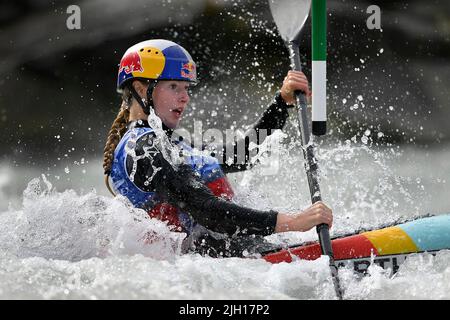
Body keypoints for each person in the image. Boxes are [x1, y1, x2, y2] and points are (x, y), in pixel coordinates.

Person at [103, 39, 332, 258]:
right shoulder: (142, 150)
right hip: (210, 267)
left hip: (235, 256)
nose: (185, 98)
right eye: (174, 86)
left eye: (186, 88)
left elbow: (242, 156)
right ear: (141, 90)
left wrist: (281, 103)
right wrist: (292, 222)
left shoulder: (170, 143)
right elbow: (205, 210)